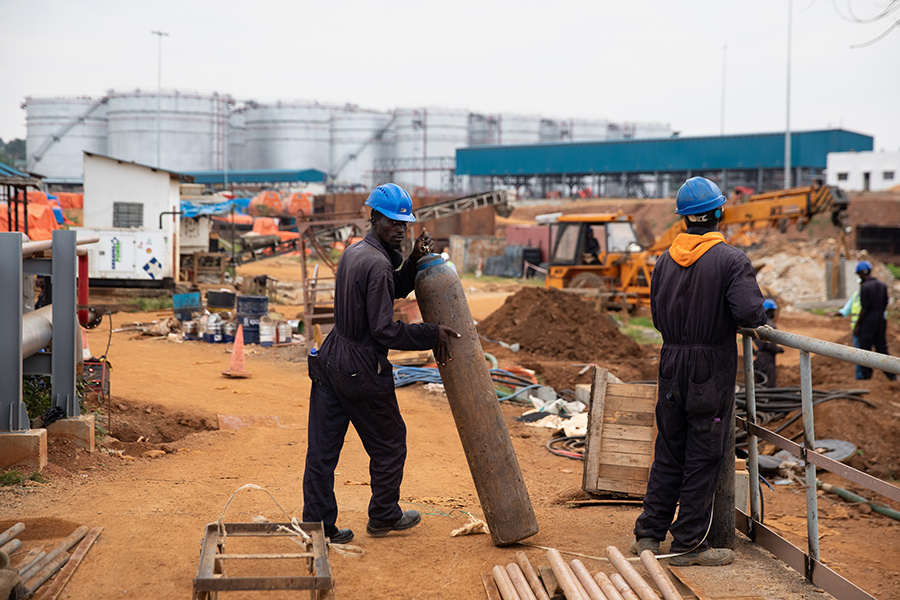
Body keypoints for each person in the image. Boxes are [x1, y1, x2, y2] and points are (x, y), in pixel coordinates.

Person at [302, 183, 460, 544]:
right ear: (374, 218)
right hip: (360, 368)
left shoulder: (355, 253)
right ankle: (384, 515)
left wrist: (414, 260)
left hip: (331, 359)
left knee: (322, 451)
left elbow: (388, 288)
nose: (401, 230)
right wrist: (430, 333)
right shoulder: (376, 263)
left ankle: (318, 526)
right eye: (393, 223)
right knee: (390, 443)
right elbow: (384, 331)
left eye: (405, 224)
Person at [632, 177, 766, 566]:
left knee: (669, 449)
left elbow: (658, 316)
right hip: (710, 367)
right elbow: (748, 313)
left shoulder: (664, 260)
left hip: (672, 363)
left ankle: (648, 534)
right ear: (719, 212)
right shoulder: (731, 260)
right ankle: (689, 543)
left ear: (684, 220)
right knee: (703, 454)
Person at [853, 261, 896, 381]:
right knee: (882, 347)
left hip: (868, 321)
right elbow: (886, 303)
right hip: (881, 319)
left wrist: (857, 325)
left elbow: (865, 307)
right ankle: (892, 375)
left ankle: (866, 377)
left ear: (862, 273)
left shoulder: (865, 287)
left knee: (865, 349)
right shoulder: (882, 285)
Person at [831, 270, 864, 379]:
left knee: (873, 354)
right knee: (859, 355)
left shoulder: (871, 296)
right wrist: (834, 314)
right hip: (857, 330)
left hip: (869, 329)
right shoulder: (855, 296)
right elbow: (845, 310)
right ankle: (861, 378)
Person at [754, 299, 784, 388]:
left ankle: (759, 401)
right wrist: (779, 350)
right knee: (769, 386)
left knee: (759, 384)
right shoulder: (771, 325)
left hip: (758, 358)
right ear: (769, 311)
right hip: (768, 359)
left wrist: (755, 352)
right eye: (773, 311)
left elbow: (751, 340)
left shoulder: (757, 324)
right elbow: (771, 346)